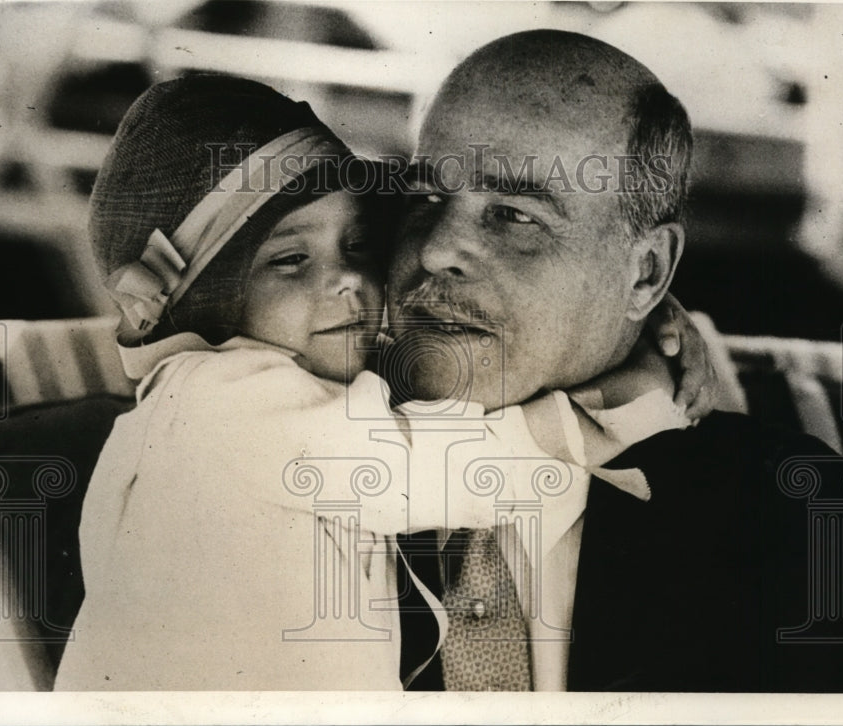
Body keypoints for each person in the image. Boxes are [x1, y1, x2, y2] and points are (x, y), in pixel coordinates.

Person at [52, 75, 709, 691]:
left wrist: (619, 311)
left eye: (358, 246)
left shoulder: (302, 390)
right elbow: (425, 467)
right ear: (206, 299)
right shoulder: (216, 400)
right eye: (289, 261)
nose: (345, 281)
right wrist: (608, 403)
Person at [390, 30, 843, 692]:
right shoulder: (278, 430)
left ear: (645, 273)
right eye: (425, 197)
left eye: (514, 216)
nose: (436, 250)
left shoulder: (793, 522)